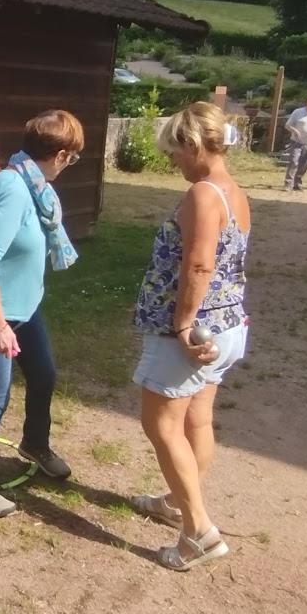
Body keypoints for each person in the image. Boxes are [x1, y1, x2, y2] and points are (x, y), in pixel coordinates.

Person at [130, 102, 250, 571]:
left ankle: (198, 532)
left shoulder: (203, 193)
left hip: (192, 334)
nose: (171, 161)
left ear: (193, 144)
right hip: (226, 328)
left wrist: (181, 325)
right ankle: (177, 502)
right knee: (196, 419)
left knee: (161, 425)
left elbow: (199, 265)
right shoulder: (233, 191)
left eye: (173, 151)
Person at [0, 110, 84, 518]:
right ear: (59, 155)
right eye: (72, 157)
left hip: (25, 306)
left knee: (44, 376)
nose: (70, 164)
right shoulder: (12, 188)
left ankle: (35, 445)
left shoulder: (35, 186)